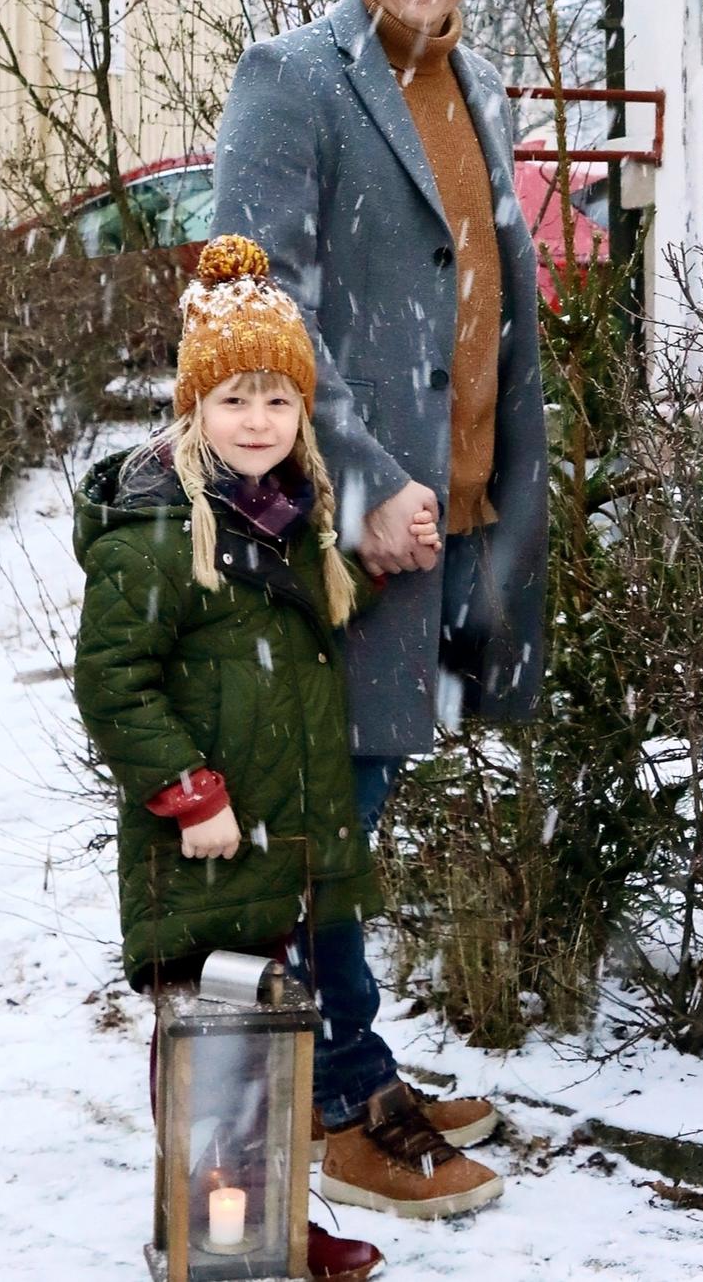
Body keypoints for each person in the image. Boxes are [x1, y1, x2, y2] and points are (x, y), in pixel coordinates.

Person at [213, 0, 549, 1207]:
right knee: (317, 820)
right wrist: (354, 477)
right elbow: (255, 304)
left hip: (457, 511)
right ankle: (330, 1106)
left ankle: (349, 1059)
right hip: (338, 528)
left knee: (356, 803)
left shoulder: (479, 86)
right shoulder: (293, 79)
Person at [74, 237, 504, 1278]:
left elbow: (298, 641)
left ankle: (263, 1226)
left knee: (266, 1049)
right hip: (203, 844)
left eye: (277, 400)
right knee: (213, 1050)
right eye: (233, 401)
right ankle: (210, 1235)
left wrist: (380, 558)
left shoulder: (285, 520)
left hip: (277, 844)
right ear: (194, 408)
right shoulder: (156, 533)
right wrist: (189, 793)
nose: (257, 421)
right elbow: (114, 683)